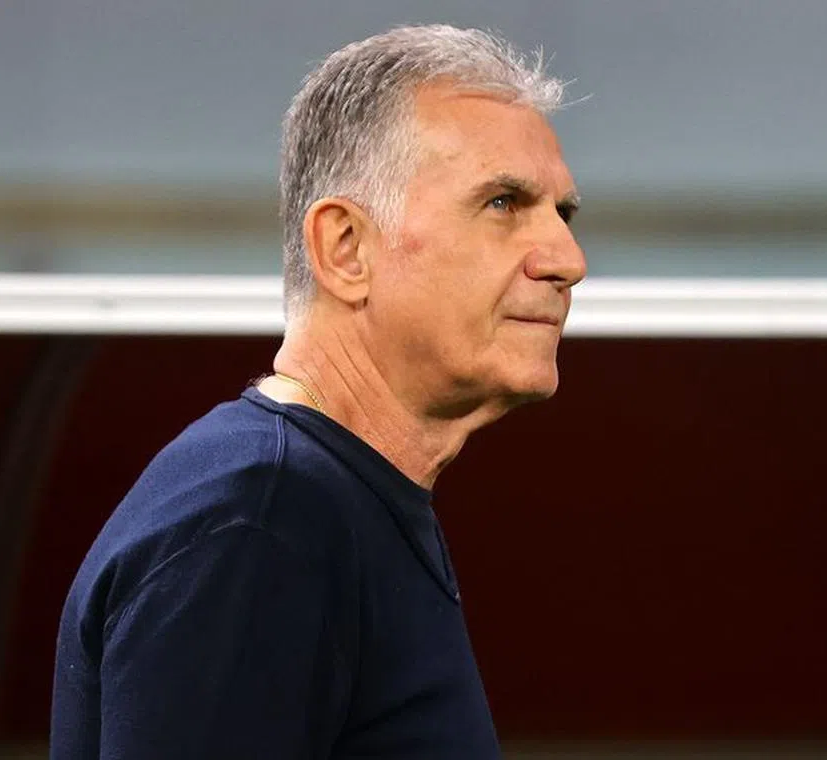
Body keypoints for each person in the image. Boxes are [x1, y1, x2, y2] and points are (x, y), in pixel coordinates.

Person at [50, 24, 586, 759]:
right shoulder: (260, 522)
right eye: (502, 203)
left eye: (563, 214)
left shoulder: (322, 502)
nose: (567, 258)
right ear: (345, 250)